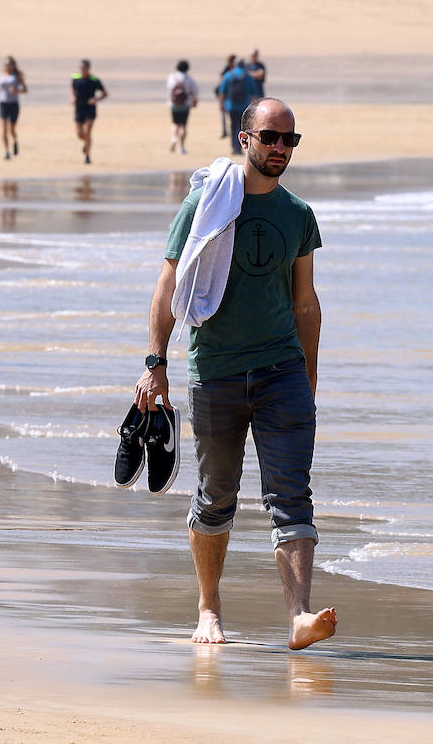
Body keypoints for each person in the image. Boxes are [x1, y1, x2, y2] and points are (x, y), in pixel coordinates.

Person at [133, 96, 335, 651]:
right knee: (216, 494)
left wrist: (308, 382)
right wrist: (156, 363)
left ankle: (299, 615)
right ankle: (208, 607)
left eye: (289, 140)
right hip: (216, 371)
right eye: (270, 137)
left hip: (282, 372)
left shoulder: (298, 216)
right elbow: (169, 284)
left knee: (292, 495)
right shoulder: (206, 203)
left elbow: (306, 304)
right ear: (244, 138)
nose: (280, 149)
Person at [70, 59, 107, 165]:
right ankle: (86, 144)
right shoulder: (75, 78)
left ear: (88, 69)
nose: (82, 70)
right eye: (80, 68)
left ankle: (87, 156)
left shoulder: (94, 80)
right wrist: (72, 97)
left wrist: (96, 99)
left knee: (87, 132)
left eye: (84, 68)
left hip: (90, 108)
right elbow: (72, 89)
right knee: (80, 134)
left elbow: (105, 93)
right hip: (79, 108)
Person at [0, 57, 28, 160]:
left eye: (9, 64)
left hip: (13, 104)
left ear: (13, 65)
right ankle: (6, 151)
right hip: (3, 104)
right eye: (6, 65)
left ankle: (15, 142)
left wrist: (16, 91)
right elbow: (1, 88)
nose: (7, 67)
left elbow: (25, 90)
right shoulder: (1, 76)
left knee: (12, 130)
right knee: (3, 129)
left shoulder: (17, 76)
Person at [217, 59, 251, 155]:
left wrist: (221, 104)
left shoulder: (228, 75)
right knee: (241, 127)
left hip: (231, 106)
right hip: (244, 106)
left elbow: (222, 91)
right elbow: (254, 93)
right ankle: (239, 147)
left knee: (232, 126)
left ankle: (234, 147)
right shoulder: (247, 76)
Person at [166, 59, 199, 155]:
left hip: (174, 104)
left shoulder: (172, 77)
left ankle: (173, 137)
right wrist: (194, 100)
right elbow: (195, 91)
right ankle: (182, 147)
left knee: (175, 123)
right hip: (185, 104)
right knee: (183, 125)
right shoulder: (189, 79)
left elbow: (169, 88)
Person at [215, 54, 236, 142]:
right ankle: (226, 131)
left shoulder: (226, 72)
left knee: (229, 117)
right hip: (229, 98)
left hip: (229, 98)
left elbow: (220, 84)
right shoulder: (229, 71)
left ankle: (227, 132)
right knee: (228, 117)